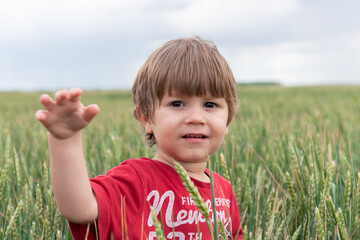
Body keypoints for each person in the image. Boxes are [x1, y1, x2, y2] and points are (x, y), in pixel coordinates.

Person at [36, 36, 243, 240]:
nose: (196, 118)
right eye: (177, 104)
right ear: (146, 118)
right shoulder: (137, 180)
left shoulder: (223, 190)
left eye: (210, 105)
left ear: (228, 120)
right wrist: (66, 139)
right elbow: (79, 208)